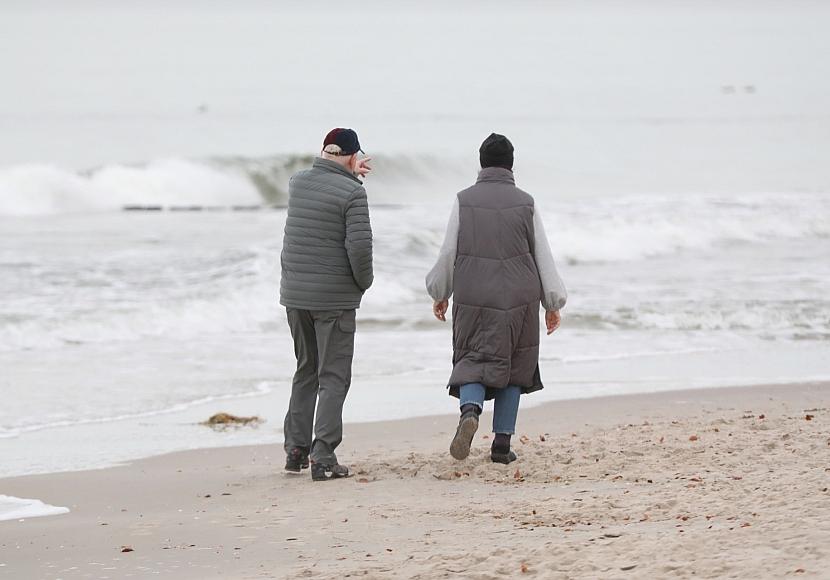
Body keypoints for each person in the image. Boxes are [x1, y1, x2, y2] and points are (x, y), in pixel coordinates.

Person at [426, 133, 567, 464]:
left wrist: (440, 292)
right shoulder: (526, 202)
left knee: (473, 358)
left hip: (474, 291)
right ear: (511, 164)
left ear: (481, 162)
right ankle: (502, 444)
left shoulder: (464, 200)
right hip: (520, 295)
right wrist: (553, 302)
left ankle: (470, 410)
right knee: (515, 364)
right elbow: (542, 253)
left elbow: (449, 251)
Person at [280, 128, 373, 481]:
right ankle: (323, 457)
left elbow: (321, 182)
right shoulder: (353, 193)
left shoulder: (296, 183)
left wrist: (346, 172)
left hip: (295, 295)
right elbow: (360, 250)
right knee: (333, 377)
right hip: (333, 298)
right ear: (352, 157)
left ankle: (295, 450)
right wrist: (363, 284)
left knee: (306, 369)